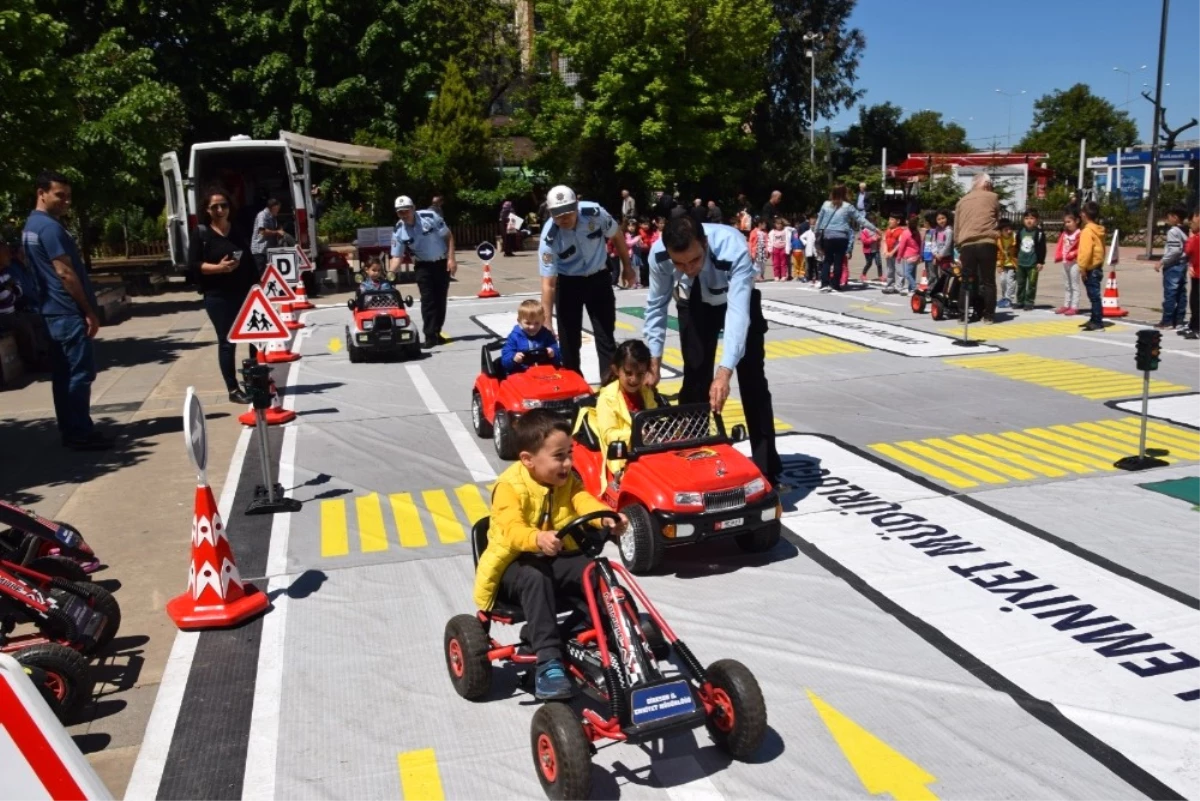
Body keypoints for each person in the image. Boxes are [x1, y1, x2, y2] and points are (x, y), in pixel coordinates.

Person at [472, 410, 627, 700]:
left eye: (570, 453)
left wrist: (604, 517)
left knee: (595, 570)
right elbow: (511, 529)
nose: (568, 463)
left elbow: (582, 500)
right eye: (559, 456)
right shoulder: (509, 487)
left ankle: (622, 633)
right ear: (528, 460)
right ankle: (548, 662)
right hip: (512, 566)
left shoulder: (566, 480)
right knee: (534, 575)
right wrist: (537, 538)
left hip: (552, 557)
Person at [644, 216, 782, 485]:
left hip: (736, 298)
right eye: (679, 263)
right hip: (693, 300)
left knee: (753, 381)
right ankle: (692, 458)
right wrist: (654, 360)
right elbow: (656, 306)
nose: (688, 268)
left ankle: (768, 469)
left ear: (704, 244)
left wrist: (724, 372)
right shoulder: (659, 255)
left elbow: (738, 314)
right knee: (695, 377)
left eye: (694, 260)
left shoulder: (733, 248)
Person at [21, 170, 110, 450]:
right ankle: (80, 432)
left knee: (63, 376)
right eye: (60, 195)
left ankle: (71, 430)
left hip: (51, 311)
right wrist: (88, 310)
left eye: (69, 197)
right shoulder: (49, 228)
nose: (66, 202)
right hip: (66, 311)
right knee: (78, 374)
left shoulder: (31, 227)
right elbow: (65, 272)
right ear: (41, 192)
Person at [537, 185, 632, 374]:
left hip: (599, 280)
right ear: (550, 212)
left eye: (568, 213)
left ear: (577, 206)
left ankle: (609, 388)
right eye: (557, 214)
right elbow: (548, 284)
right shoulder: (549, 238)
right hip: (569, 283)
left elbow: (617, 235)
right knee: (569, 342)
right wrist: (546, 320)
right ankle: (574, 390)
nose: (563, 219)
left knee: (606, 337)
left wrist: (627, 268)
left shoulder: (595, 213)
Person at [188, 187, 261, 404]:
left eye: (224, 205)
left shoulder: (237, 230)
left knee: (255, 336)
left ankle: (254, 378)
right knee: (227, 341)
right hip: (218, 295)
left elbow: (249, 258)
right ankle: (232, 389)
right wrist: (219, 268)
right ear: (207, 210)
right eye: (215, 207)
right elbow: (193, 265)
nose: (220, 210)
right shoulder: (201, 233)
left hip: (244, 291)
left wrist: (257, 286)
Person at [390, 194, 457, 349]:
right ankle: (429, 335)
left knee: (440, 299)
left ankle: (437, 331)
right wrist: (389, 275)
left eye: (406, 210)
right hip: (422, 266)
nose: (404, 215)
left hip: (441, 262)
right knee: (428, 300)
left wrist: (451, 259)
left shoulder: (430, 216)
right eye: (400, 212)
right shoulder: (399, 230)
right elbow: (396, 257)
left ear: (413, 208)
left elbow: (449, 236)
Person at [595, 340, 659, 492]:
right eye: (628, 373)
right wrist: (636, 435)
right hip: (622, 457)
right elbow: (608, 435)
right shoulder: (607, 398)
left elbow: (655, 417)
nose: (634, 379)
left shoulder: (646, 393)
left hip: (648, 450)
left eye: (640, 374)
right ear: (616, 370)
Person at [953, 174, 1001, 323]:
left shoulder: (961, 201)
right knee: (988, 281)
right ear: (986, 184)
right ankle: (988, 316)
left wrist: (958, 244)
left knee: (967, 281)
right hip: (987, 241)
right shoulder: (992, 197)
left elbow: (957, 227)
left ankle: (963, 315)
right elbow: (997, 218)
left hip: (967, 244)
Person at [814, 185, 877, 294]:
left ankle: (824, 284)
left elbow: (819, 221)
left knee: (827, 260)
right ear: (844, 193)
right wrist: (874, 229)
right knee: (838, 260)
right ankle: (835, 284)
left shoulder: (825, 204)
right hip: (841, 236)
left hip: (827, 236)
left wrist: (817, 234)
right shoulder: (848, 206)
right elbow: (860, 219)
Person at [501, 299, 560, 373]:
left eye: (537, 323)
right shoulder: (514, 337)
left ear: (543, 321)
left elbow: (559, 354)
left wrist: (553, 353)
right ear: (519, 321)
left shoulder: (546, 334)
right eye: (528, 323)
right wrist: (513, 358)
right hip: (521, 373)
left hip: (544, 372)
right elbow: (505, 360)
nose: (532, 327)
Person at [1156, 207, 1190, 330]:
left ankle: (1167, 321)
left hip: (1173, 265)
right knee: (1181, 293)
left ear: (1175, 217)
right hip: (1183, 264)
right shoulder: (1186, 230)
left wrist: (1162, 261)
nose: (1167, 219)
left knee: (1170, 294)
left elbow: (1174, 250)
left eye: (1169, 217)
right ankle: (1179, 319)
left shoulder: (1173, 231)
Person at [1077, 201, 1107, 332]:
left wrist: (1082, 267)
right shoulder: (1098, 230)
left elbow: (1086, 251)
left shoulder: (1087, 232)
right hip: (1097, 266)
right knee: (1093, 295)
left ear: (1083, 215)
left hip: (1090, 268)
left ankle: (1097, 322)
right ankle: (1094, 318)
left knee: (1094, 296)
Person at [1015, 209, 1047, 311]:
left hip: (1033, 264)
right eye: (1026, 218)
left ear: (1036, 220)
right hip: (1021, 263)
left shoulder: (1039, 233)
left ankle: (1029, 302)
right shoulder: (1020, 231)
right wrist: (1015, 258)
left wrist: (1040, 262)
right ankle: (1020, 301)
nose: (1029, 221)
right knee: (1020, 283)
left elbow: (1042, 248)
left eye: (1032, 218)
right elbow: (1017, 245)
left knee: (1032, 284)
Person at [1054, 210, 1082, 316]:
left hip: (1075, 263)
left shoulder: (1080, 234)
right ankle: (1066, 305)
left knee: (1074, 285)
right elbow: (1061, 245)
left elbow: (1082, 248)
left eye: (1069, 222)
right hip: (1065, 262)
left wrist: (1074, 253)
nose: (1067, 224)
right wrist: (1059, 255)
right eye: (1065, 222)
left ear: (1077, 221)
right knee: (1067, 285)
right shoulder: (1065, 234)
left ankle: (1074, 306)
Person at [250, 198, 285, 275]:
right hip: (260, 251)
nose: (278, 210)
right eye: (278, 208)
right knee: (260, 274)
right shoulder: (262, 215)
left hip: (268, 250)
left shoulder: (272, 217)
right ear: (274, 207)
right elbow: (262, 231)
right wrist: (276, 232)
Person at [1182, 209, 1200, 340]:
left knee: (1196, 301)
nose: (1191, 222)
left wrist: (1191, 237)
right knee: (1194, 300)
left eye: (1194, 218)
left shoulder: (1196, 237)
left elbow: (1188, 250)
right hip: (1196, 273)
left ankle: (1197, 328)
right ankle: (1193, 324)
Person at [895, 215, 922, 296]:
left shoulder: (906, 233)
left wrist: (899, 257)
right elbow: (920, 244)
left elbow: (902, 246)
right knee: (912, 273)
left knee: (907, 274)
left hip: (909, 257)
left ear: (908, 222)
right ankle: (911, 290)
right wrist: (920, 255)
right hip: (916, 256)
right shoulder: (917, 232)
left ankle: (914, 288)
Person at [996, 219, 1018, 309]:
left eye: (1010, 229)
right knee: (1002, 281)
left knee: (1010, 282)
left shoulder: (1015, 237)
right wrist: (998, 265)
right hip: (1003, 264)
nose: (1009, 231)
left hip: (1013, 264)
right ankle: (1004, 297)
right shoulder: (998, 240)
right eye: (1006, 230)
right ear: (1001, 231)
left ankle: (1009, 299)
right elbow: (997, 253)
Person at [881, 212, 902, 293]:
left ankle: (899, 287)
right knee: (889, 270)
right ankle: (890, 285)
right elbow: (884, 241)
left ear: (898, 221)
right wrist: (885, 251)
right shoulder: (888, 231)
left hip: (897, 255)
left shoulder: (900, 231)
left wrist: (892, 252)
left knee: (899, 271)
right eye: (889, 219)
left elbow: (899, 243)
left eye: (892, 219)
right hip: (889, 254)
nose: (890, 221)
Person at [932, 210, 953, 286]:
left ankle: (944, 291)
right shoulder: (937, 230)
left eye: (943, 218)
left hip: (945, 257)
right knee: (939, 274)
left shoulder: (949, 230)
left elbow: (947, 244)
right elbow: (934, 242)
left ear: (947, 218)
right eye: (938, 219)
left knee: (945, 275)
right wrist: (935, 253)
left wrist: (941, 254)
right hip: (938, 256)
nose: (941, 221)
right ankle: (940, 291)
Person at [859, 217, 882, 283]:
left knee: (879, 263)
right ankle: (863, 274)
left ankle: (880, 276)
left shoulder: (876, 230)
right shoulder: (864, 231)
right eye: (871, 223)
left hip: (876, 249)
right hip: (868, 251)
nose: (873, 225)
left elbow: (880, 236)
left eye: (874, 223)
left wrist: (879, 238)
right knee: (869, 263)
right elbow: (864, 241)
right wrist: (872, 239)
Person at [800, 215, 818, 283]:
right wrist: (805, 242)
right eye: (811, 220)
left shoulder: (817, 231)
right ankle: (809, 277)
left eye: (814, 221)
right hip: (809, 251)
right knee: (809, 264)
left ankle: (817, 277)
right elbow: (801, 237)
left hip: (816, 251)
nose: (813, 222)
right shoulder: (807, 232)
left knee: (816, 264)